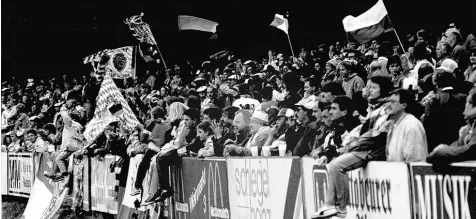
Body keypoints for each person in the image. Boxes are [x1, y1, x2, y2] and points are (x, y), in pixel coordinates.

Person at [313, 76, 393, 219]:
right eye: (369, 87)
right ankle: (330, 205)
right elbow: (365, 130)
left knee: (336, 165)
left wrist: (355, 143)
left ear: (384, 90)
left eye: (373, 87)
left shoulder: (385, 109)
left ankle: (342, 209)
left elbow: (376, 134)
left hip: (373, 150)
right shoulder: (373, 109)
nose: (369, 90)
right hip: (364, 148)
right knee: (333, 165)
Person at [144, 108, 199, 204]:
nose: (184, 122)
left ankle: (165, 189)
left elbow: (180, 144)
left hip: (185, 153)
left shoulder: (194, 129)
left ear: (194, 120)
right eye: (183, 119)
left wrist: (166, 150)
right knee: (159, 158)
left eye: (187, 120)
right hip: (181, 151)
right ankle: (161, 189)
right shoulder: (185, 127)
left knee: (161, 159)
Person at [427, 87, 476, 165]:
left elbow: (470, 150)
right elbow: (459, 144)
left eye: (469, 102)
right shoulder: (469, 126)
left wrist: (439, 152)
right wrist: (445, 147)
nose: (466, 105)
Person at [386, 89, 428, 162]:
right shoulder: (394, 123)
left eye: (393, 102)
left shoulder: (412, 125)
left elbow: (415, 161)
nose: (388, 105)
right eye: (388, 101)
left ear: (404, 105)